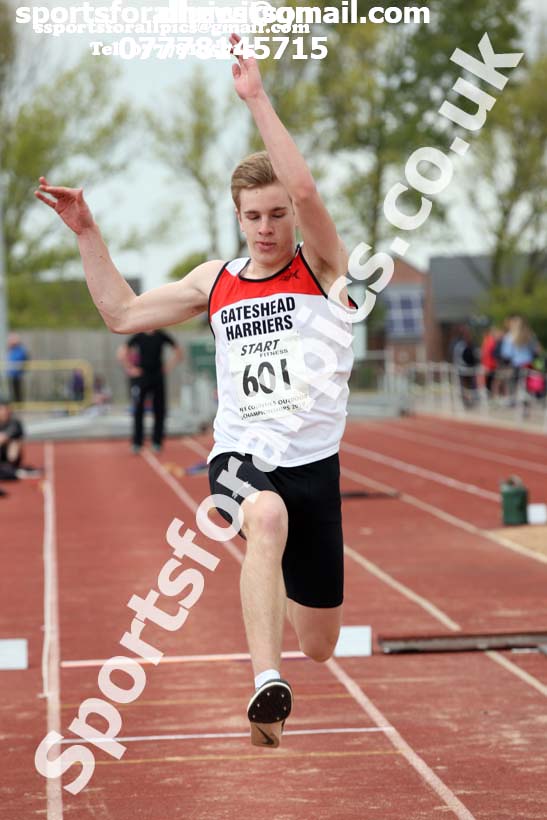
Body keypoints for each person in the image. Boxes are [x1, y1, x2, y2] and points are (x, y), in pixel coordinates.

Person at [34, 34, 355, 749]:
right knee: (262, 519)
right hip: (243, 453)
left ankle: (289, 659)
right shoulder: (215, 281)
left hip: (314, 463)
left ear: (292, 217)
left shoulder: (321, 271)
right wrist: (88, 232)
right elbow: (120, 314)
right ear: (236, 216)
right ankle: (265, 684)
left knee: (322, 641)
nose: (267, 227)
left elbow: (305, 187)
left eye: (277, 214)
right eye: (253, 215)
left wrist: (255, 98)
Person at [117, 330, 182, 452]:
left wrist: (169, 366)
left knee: (159, 410)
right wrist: (130, 368)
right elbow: (121, 352)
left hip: (158, 377)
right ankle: (137, 442)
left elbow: (178, 351)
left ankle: (157, 442)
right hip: (142, 377)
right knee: (138, 410)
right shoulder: (139, 336)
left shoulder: (161, 335)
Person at [0, 396, 41, 481]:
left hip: (10, 455)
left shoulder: (15, 423)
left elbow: (5, 438)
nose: (5, 412)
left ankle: (10, 467)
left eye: (6, 410)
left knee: (14, 443)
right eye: (2, 410)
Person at [6, 333, 29, 404]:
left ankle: (19, 407)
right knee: (12, 393)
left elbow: (23, 359)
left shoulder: (20, 350)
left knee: (18, 393)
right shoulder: (11, 350)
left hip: (17, 375)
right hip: (11, 374)